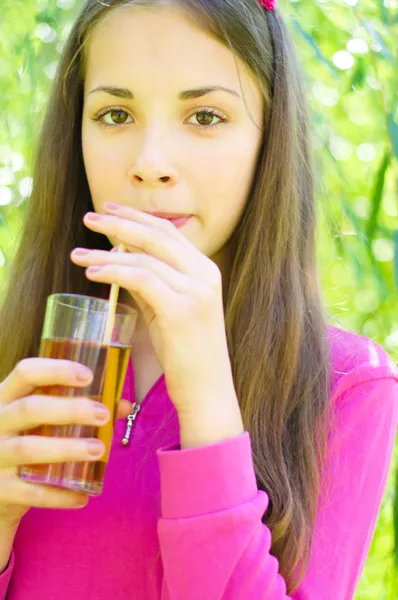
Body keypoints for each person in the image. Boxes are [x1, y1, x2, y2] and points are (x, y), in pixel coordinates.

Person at [0, 0, 396, 597]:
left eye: (206, 116)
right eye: (113, 113)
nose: (150, 163)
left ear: (269, 140)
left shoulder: (346, 386)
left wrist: (208, 398)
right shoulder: (22, 357)